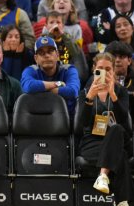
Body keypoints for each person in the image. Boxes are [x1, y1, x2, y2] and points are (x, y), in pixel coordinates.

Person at [77, 53, 131, 202]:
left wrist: (113, 94)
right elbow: (82, 124)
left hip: (118, 139)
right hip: (93, 142)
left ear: (113, 72)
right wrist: (89, 99)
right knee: (121, 156)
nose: (105, 72)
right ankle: (123, 202)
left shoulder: (121, 92)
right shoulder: (85, 93)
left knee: (117, 129)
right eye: (100, 68)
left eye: (108, 69)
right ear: (94, 70)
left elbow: (125, 123)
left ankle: (102, 176)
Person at [21, 35, 80, 119]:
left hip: (66, 120)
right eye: (41, 53)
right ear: (36, 58)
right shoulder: (30, 70)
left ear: (57, 55)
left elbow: (73, 91)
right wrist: (58, 84)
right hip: (36, 119)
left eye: (50, 51)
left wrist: (41, 90)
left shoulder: (69, 70)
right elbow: (28, 87)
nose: (47, 56)